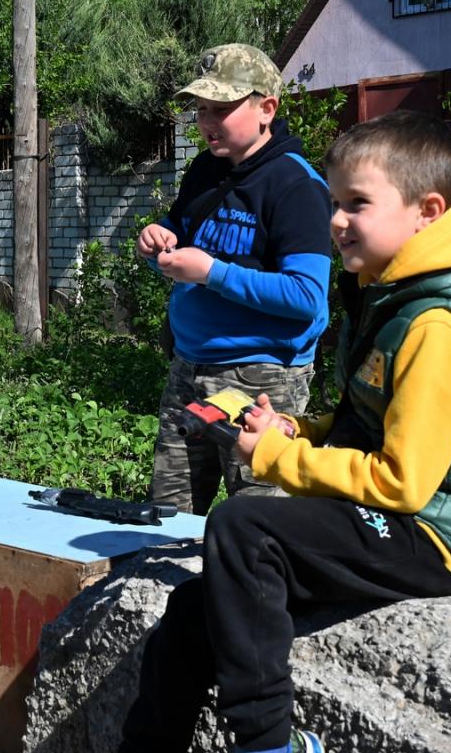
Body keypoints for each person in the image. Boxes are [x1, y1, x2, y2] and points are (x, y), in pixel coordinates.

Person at [46, 111, 451, 753]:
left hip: (437, 534)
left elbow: (406, 481)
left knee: (242, 521)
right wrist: (294, 425)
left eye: (356, 204)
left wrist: (278, 455)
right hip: (395, 518)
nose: (335, 220)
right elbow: (366, 416)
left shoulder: (440, 319)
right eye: (335, 201)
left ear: (427, 211)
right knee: (191, 612)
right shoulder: (400, 286)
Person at [141, 43, 331, 515]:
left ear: (267, 108)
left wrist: (211, 273)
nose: (207, 122)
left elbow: (307, 296)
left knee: (260, 519)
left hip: (262, 378)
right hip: (189, 367)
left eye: (222, 109)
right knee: (170, 514)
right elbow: (181, 242)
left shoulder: (296, 186)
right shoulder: (205, 170)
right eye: (202, 109)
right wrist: (157, 244)